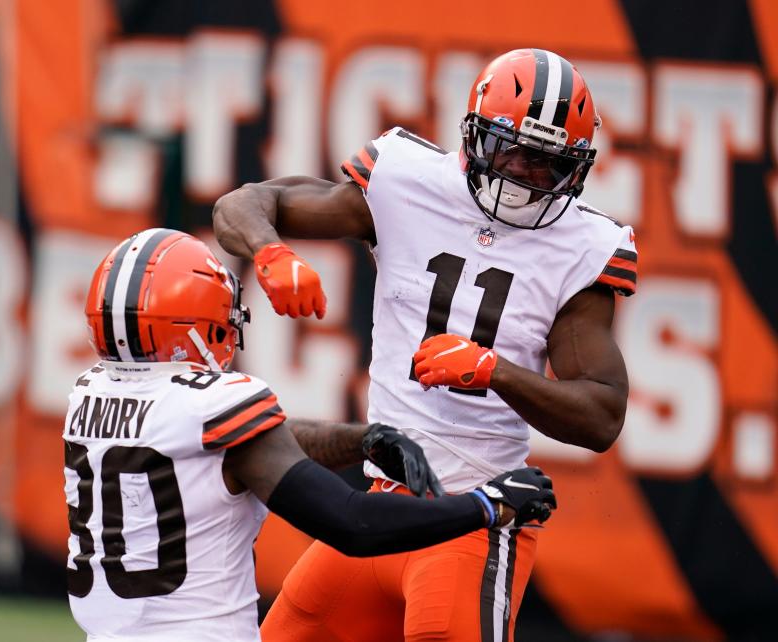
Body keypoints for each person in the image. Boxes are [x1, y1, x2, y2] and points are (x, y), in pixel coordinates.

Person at [213, 48, 637, 641]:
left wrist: (497, 372)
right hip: (384, 503)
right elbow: (245, 203)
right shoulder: (407, 180)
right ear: (474, 134)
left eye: (546, 165)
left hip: (479, 515)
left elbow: (602, 416)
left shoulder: (582, 245)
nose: (522, 175)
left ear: (576, 169)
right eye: (511, 149)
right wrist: (269, 251)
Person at [62, 228, 557, 642]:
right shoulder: (216, 406)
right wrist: (486, 505)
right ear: (197, 323)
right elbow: (351, 522)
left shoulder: (88, 395)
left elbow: (242, 441)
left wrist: (363, 440)